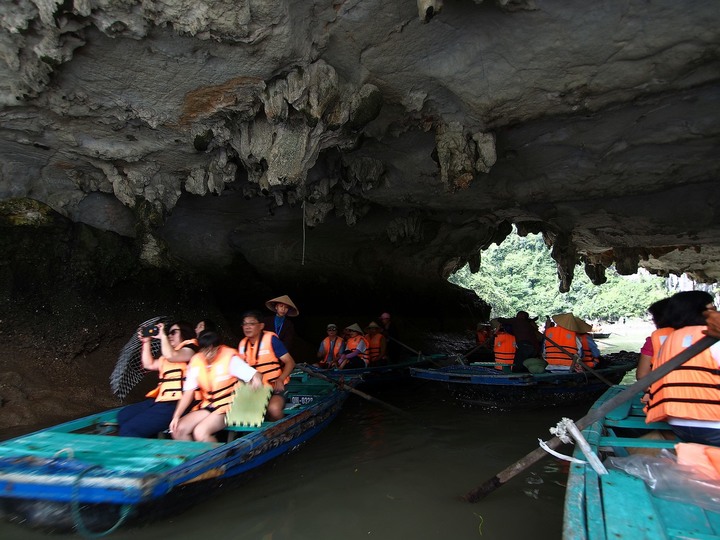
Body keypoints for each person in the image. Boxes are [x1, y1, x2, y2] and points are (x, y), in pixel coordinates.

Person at [645, 291, 720, 446]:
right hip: (714, 425)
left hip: (678, 424)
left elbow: (643, 377)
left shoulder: (668, 341)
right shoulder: (713, 340)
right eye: (712, 308)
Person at [169, 330, 263, 442]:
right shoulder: (196, 361)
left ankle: (220, 458)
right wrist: (176, 416)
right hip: (208, 405)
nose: (208, 354)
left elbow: (255, 374)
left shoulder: (230, 359)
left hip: (229, 406)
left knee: (200, 432)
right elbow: (188, 393)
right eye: (205, 350)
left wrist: (256, 380)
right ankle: (197, 458)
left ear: (218, 347)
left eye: (212, 349)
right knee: (177, 430)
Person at [117, 321, 199, 438]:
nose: (170, 335)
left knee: (129, 429)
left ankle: (135, 450)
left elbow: (172, 355)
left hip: (177, 403)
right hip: (162, 401)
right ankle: (148, 435)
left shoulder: (191, 350)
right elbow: (148, 364)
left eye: (173, 332)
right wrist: (146, 342)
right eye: (168, 333)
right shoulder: (166, 357)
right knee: (123, 415)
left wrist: (163, 336)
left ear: (185, 333)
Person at [238, 309, 297, 421]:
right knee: (242, 411)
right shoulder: (242, 344)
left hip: (276, 387)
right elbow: (241, 369)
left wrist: (281, 379)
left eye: (251, 323)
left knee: (274, 408)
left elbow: (290, 362)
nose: (247, 327)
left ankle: (282, 433)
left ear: (261, 326)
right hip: (256, 388)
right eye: (244, 324)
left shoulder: (271, 340)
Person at [636, 298, 672, 380]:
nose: (653, 320)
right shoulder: (697, 336)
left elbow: (641, 376)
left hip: (661, 390)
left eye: (654, 317)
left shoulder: (653, 341)